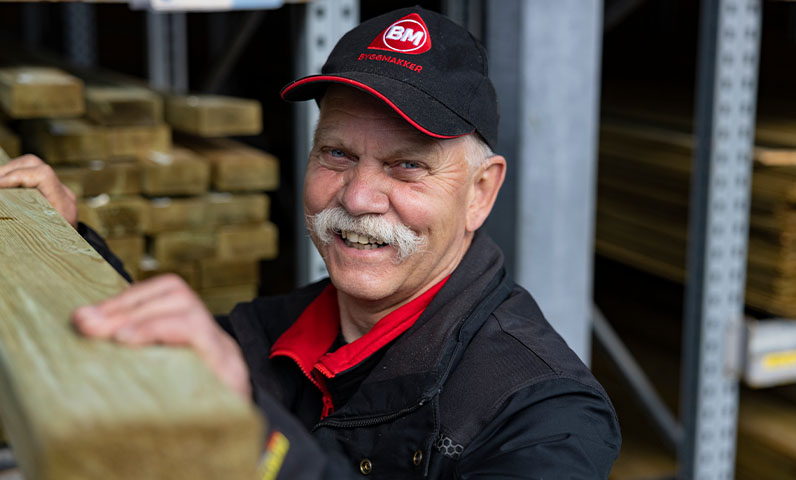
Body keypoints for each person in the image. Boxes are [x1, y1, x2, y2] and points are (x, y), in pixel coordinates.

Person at [0, 6, 621, 478]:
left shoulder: (543, 417)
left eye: (407, 165)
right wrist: (71, 239)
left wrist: (259, 436)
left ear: (481, 193)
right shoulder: (275, 332)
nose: (358, 196)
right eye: (337, 153)